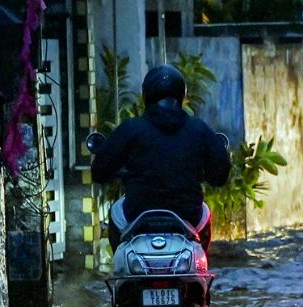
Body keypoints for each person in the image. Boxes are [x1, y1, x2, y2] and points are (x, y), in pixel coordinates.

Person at [91, 64, 231, 250]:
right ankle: (201, 264)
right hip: (188, 215)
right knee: (204, 211)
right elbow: (221, 174)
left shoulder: (131, 128)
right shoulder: (199, 129)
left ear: (146, 95)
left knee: (116, 209)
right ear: (181, 95)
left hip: (137, 212)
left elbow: (99, 170)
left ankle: (120, 272)